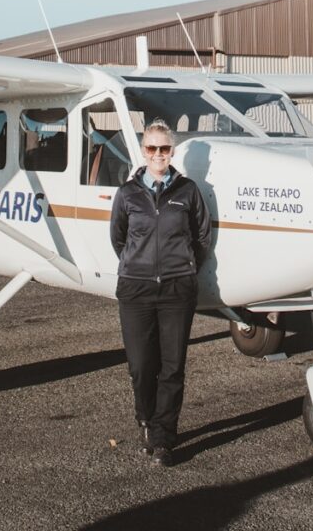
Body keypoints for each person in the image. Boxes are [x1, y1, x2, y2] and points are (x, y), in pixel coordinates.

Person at [110, 118, 211, 467]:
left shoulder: (188, 191)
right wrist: (137, 266)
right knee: (141, 366)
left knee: (173, 366)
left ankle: (164, 437)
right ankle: (146, 420)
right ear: (143, 151)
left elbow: (201, 235)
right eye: (151, 148)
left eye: (164, 148)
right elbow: (118, 239)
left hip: (176, 290)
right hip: (135, 290)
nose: (158, 154)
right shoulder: (127, 194)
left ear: (172, 151)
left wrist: (183, 267)